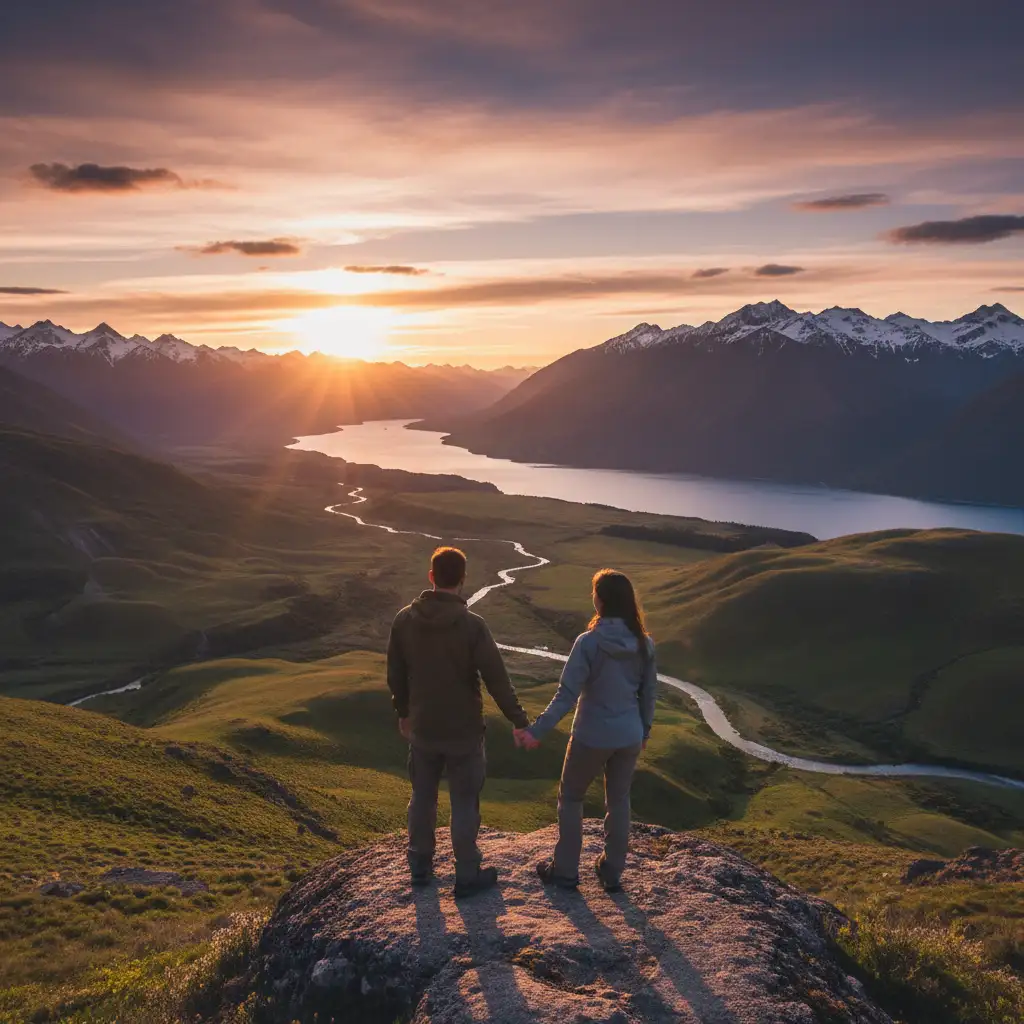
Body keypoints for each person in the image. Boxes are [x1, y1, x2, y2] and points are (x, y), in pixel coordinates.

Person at [387, 546, 535, 898]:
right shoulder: (472, 626)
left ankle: (419, 866)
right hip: (465, 731)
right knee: (465, 802)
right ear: (463, 579)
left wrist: (404, 712)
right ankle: (467, 873)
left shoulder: (405, 619)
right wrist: (519, 721)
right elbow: (497, 679)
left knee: (422, 797)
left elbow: (395, 673)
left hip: (423, 728)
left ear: (431, 576)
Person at [525, 569, 657, 893]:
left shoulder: (588, 642)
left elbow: (566, 694)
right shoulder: (644, 643)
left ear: (601, 601)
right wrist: (644, 732)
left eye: (594, 592)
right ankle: (611, 872)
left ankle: (566, 871)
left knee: (571, 798)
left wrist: (537, 730)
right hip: (629, 734)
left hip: (591, 734)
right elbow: (649, 693)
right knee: (619, 801)